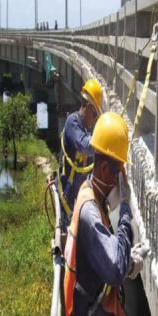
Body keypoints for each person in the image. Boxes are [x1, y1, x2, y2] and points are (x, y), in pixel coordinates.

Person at [64, 111, 149, 316]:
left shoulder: (94, 197)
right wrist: (125, 211)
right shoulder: (90, 211)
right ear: (103, 170)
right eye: (119, 172)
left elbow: (107, 260)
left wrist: (129, 261)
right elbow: (112, 267)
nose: (120, 181)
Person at [57, 78, 103, 226]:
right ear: (88, 107)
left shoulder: (84, 129)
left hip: (76, 193)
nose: (95, 120)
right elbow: (86, 146)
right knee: (68, 233)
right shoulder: (73, 122)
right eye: (95, 114)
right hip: (67, 195)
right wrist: (104, 140)